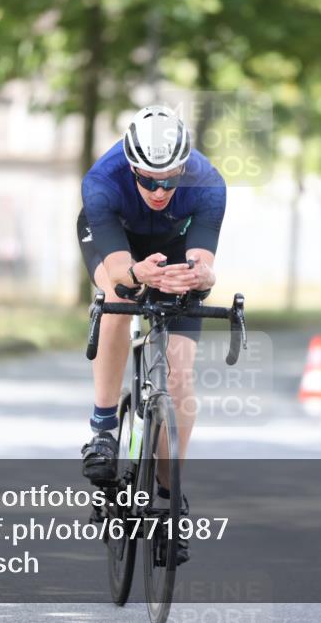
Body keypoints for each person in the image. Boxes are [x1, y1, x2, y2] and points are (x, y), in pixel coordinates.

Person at [77, 105, 227, 564]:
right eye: (149, 181)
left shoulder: (209, 184)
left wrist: (200, 278)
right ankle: (103, 427)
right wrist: (138, 276)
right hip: (118, 245)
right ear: (132, 166)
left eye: (170, 181)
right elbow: (122, 271)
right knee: (118, 301)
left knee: (179, 375)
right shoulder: (103, 180)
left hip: (175, 251)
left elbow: (204, 263)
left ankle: (168, 490)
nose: (160, 190)